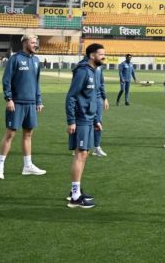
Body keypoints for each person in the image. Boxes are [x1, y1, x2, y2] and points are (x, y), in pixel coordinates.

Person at [0, 34, 46, 179]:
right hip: (16, 103)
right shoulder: (15, 59)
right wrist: (8, 99)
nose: (35, 44)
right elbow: (6, 80)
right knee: (10, 134)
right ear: (24, 43)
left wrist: (39, 101)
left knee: (28, 133)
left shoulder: (36, 61)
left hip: (31, 103)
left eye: (36, 42)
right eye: (32, 42)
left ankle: (28, 166)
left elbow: (36, 83)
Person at [65, 43, 106, 208]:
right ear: (92, 55)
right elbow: (71, 97)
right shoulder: (82, 71)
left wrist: (96, 119)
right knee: (80, 155)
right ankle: (75, 196)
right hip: (81, 119)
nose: (104, 56)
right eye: (101, 54)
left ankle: (76, 191)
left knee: (84, 155)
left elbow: (92, 97)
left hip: (89, 119)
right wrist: (71, 121)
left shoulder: (94, 72)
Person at [92, 59, 109, 157]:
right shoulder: (83, 66)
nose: (103, 57)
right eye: (101, 54)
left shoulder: (99, 67)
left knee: (98, 122)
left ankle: (97, 148)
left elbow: (102, 82)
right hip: (87, 98)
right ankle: (78, 147)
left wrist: (104, 98)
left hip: (98, 98)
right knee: (85, 123)